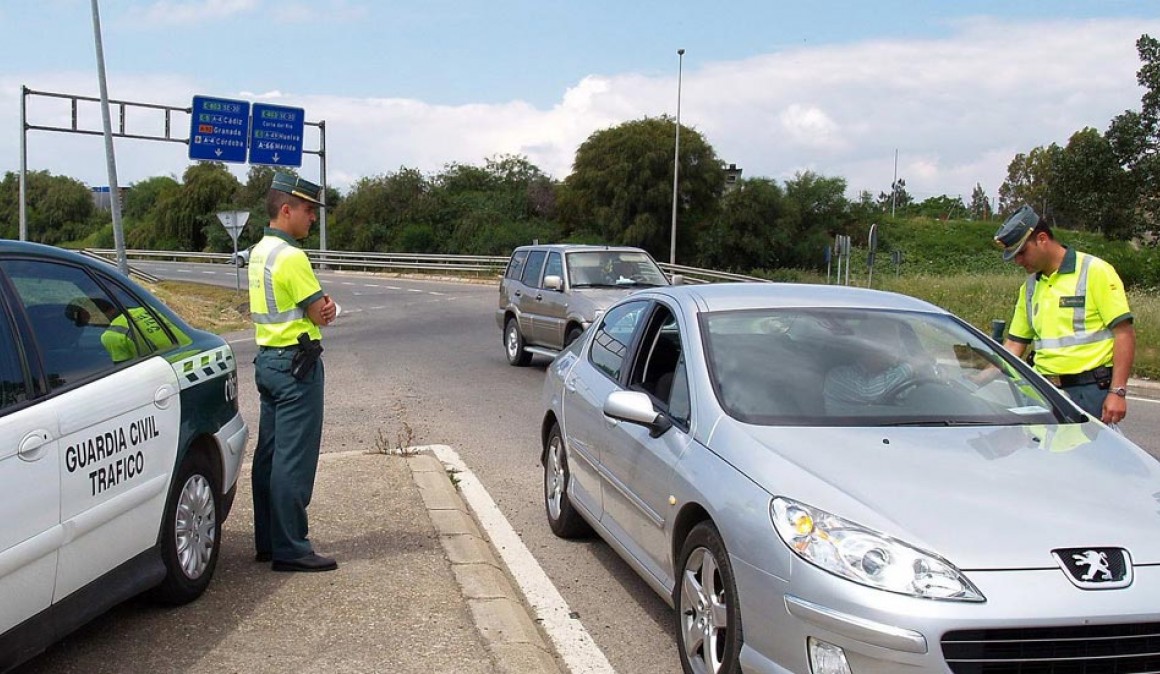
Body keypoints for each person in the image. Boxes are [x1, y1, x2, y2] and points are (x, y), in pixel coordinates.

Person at [249, 172, 339, 573]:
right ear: (285, 210)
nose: (312, 219)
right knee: (293, 460)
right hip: (296, 364)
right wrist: (325, 308)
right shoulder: (292, 256)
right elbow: (320, 311)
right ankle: (291, 548)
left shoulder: (259, 252)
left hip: (268, 359)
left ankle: (268, 540)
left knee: (269, 455)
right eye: (307, 210)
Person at [993, 204, 1135, 425]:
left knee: (1089, 458)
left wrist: (1117, 392)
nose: (1018, 261)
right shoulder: (1029, 288)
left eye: (1021, 252)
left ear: (1042, 239)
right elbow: (1014, 346)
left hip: (1089, 393)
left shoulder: (1094, 271)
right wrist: (977, 376)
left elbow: (1124, 333)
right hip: (1043, 392)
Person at [823, 318, 936, 410]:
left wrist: (936, 375)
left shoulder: (896, 376)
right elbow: (869, 392)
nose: (898, 347)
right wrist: (912, 365)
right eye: (890, 341)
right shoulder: (837, 377)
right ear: (869, 346)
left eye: (898, 341)